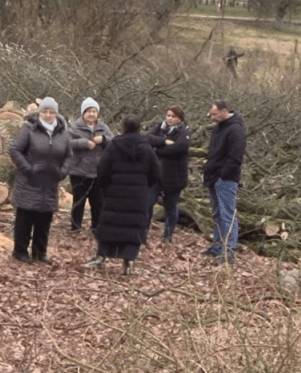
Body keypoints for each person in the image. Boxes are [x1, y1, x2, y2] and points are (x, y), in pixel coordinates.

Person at [84, 115, 160, 275]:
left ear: (122, 127)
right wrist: (145, 187)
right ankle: (128, 262)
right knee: (133, 227)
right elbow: (156, 173)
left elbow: (102, 169)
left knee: (109, 225)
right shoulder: (146, 148)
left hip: (114, 192)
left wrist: (106, 187)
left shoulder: (113, 145)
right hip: (138, 195)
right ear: (139, 127)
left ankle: (101, 257)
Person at [10, 97, 70, 264]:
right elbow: (15, 149)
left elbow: (69, 155)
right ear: (39, 112)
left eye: (51, 112)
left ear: (56, 114)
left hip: (50, 183)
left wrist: (62, 172)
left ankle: (40, 252)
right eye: (44, 111)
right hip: (29, 181)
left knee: (44, 220)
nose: (48, 115)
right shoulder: (29, 129)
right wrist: (27, 168)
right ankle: (20, 250)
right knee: (25, 218)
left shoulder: (63, 133)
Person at [202, 100, 246, 264]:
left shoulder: (235, 130)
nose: (212, 117)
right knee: (216, 213)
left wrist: (223, 175)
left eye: (214, 114)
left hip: (226, 179)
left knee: (227, 214)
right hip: (213, 177)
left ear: (224, 111)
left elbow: (235, 158)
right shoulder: (218, 128)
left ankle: (229, 250)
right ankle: (218, 245)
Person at [62, 97, 113, 235]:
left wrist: (103, 140)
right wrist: (84, 143)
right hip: (79, 171)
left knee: (98, 202)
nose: (91, 114)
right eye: (88, 111)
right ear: (83, 113)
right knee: (78, 201)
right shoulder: (73, 127)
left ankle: (96, 228)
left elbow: (114, 142)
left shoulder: (103, 127)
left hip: (98, 171)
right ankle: (75, 228)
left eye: (94, 111)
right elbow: (66, 143)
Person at [145, 105, 192, 243]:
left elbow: (180, 147)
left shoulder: (184, 132)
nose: (170, 119)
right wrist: (164, 142)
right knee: (147, 204)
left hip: (174, 178)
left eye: (173, 116)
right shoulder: (159, 128)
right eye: (168, 115)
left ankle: (168, 235)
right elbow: (148, 139)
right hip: (155, 176)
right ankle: (143, 232)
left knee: (170, 208)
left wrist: (158, 150)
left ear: (179, 118)